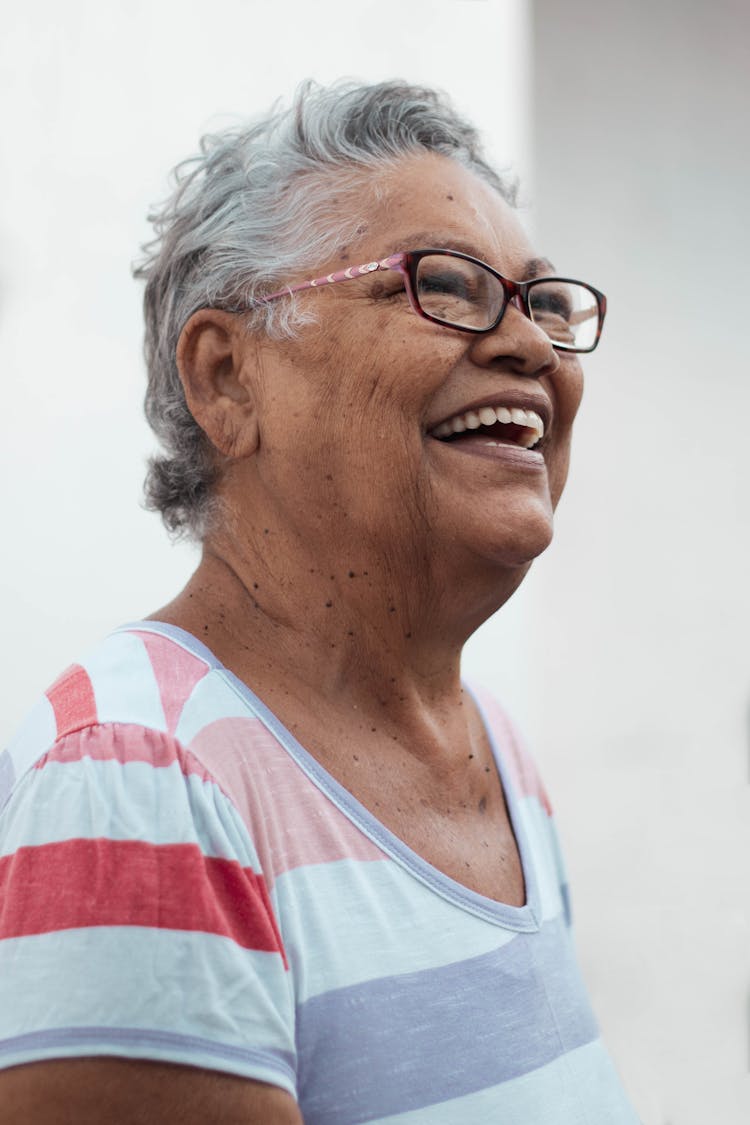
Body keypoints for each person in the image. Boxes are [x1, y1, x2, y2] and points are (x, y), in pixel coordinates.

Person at [0, 80, 637, 1124]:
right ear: (227, 377)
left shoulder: (492, 752)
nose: (531, 348)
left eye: (546, 303)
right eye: (445, 285)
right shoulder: (140, 778)